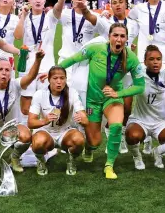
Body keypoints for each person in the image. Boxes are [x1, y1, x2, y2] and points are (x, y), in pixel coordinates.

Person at [59, 23, 145, 179]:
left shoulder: (131, 57)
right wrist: (54, 71)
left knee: (117, 125)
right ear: (109, 37)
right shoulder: (96, 49)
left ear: (126, 39)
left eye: (122, 36)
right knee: (95, 141)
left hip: (112, 99)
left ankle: (109, 165)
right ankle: (90, 148)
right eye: (115, 35)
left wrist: (118, 93)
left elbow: (140, 86)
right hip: (92, 101)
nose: (118, 39)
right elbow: (73, 59)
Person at [0, 50, 46, 173]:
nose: (4, 73)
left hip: (12, 128)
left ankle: (14, 157)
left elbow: (30, 76)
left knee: (26, 136)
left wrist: (38, 60)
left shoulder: (15, 85)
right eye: (0, 69)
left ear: (10, 73)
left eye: (7, 70)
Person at [125, 44, 165, 170]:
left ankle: (157, 151)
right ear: (145, 61)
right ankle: (137, 156)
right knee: (132, 136)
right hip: (140, 120)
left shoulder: (164, 74)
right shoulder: (139, 75)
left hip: (160, 122)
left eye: (158, 59)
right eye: (152, 59)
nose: (155, 62)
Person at [28, 66, 88, 176]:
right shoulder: (39, 94)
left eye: (62, 78)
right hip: (46, 132)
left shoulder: (72, 93)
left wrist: (82, 119)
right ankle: (41, 161)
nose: (59, 82)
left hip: (65, 132)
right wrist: (44, 121)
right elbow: (30, 123)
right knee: (38, 142)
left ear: (66, 79)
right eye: (55, 78)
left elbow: (84, 118)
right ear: (49, 79)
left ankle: (71, 160)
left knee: (79, 140)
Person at [14, 0, 64, 116]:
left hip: (45, 67)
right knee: (25, 108)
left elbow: (59, 6)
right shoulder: (24, 18)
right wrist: (22, 17)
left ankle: (42, 133)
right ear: (29, 1)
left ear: (44, 1)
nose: (37, 0)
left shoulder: (50, 17)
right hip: (27, 65)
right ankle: (26, 132)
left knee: (46, 104)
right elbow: (18, 36)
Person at [55, 0, 99, 107]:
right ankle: (63, 124)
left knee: (81, 97)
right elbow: (57, 9)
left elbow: (108, 33)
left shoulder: (95, 17)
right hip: (66, 59)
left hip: (84, 63)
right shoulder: (65, 14)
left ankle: (80, 125)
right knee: (62, 94)